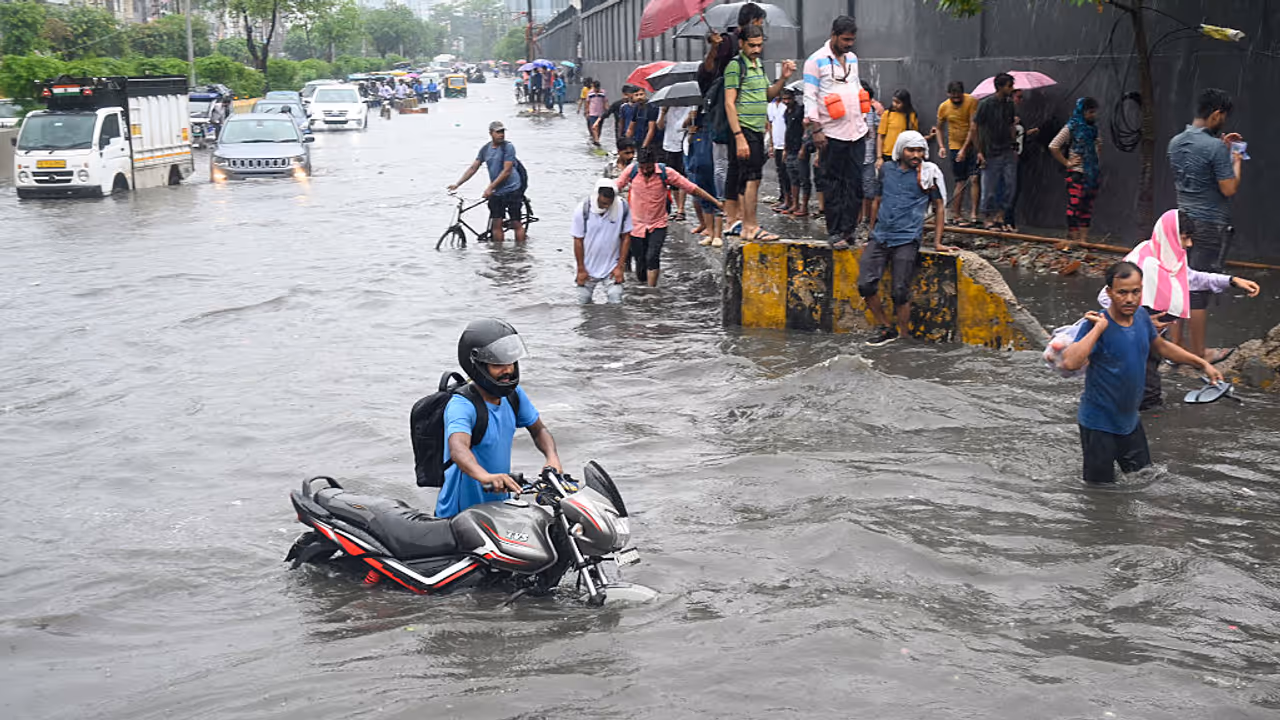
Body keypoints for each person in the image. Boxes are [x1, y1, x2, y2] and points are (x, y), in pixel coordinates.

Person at [1061, 262, 1224, 486]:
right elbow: (1070, 362)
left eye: (1135, 292)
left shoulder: (1140, 317)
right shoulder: (1096, 324)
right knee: (1099, 491)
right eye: (1122, 292)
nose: (1129, 299)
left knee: (1146, 480)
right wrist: (1099, 329)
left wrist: (1201, 363)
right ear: (1109, 292)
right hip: (1098, 424)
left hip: (1129, 421)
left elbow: (1161, 346)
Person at [1094, 209, 1261, 410]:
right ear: (1170, 235)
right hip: (1129, 337)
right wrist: (1141, 319)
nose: (1189, 244)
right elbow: (1105, 296)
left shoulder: (1170, 257)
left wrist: (1232, 281)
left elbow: (1192, 278)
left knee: (1145, 390)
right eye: (1185, 238)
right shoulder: (1141, 261)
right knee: (1142, 397)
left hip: (1151, 337)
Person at [437, 319, 561, 518]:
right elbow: (458, 449)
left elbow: (539, 430)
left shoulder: (513, 396)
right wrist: (486, 477)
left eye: (511, 362)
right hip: (460, 516)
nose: (508, 370)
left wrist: (552, 459)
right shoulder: (461, 406)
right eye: (498, 365)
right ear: (477, 366)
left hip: (498, 511)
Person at [1167, 88, 1245, 363]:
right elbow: (1228, 188)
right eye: (1223, 117)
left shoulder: (1175, 142)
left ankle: (1175, 349)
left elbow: (1195, 171)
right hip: (1208, 224)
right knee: (1198, 287)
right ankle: (1199, 352)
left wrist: (1221, 148)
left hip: (1180, 221)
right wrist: (1235, 160)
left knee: (1179, 282)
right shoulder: (1213, 147)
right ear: (1216, 115)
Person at [859, 131, 958, 347]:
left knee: (900, 291)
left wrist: (938, 242)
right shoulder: (886, 170)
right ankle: (886, 327)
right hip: (881, 235)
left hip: (907, 238)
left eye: (920, 150)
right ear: (900, 151)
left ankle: (903, 337)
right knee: (866, 285)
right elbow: (876, 200)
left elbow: (939, 207)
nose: (916, 155)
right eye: (911, 150)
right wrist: (871, 232)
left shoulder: (928, 173)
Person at [803, 15, 869, 250]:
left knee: (855, 184)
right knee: (833, 185)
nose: (849, 44)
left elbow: (856, 88)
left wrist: (865, 119)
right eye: (845, 39)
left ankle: (849, 231)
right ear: (833, 35)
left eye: (852, 40)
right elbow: (810, 96)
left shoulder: (852, 58)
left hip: (856, 133)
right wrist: (816, 128)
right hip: (830, 133)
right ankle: (835, 232)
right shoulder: (815, 61)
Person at [724, 24, 795, 243]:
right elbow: (729, 103)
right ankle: (750, 226)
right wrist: (738, 136)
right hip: (744, 129)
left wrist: (783, 78)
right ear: (742, 43)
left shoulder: (757, 64)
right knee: (750, 179)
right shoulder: (736, 66)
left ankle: (747, 225)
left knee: (752, 178)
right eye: (752, 45)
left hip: (755, 128)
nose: (756, 49)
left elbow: (767, 94)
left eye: (759, 45)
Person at [616, 147, 722, 286]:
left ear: (654, 163)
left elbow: (691, 188)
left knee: (652, 256)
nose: (646, 171)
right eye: (643, 168)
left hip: (658, 223)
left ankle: (651, 293)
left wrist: (716, 202)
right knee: (641, 264)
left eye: (649, 167)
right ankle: (643, 287)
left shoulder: (666, 173)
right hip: (636, 225)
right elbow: (616, 186)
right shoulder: (632, 171)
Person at [448, 121, 527, 243]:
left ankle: (520, 253)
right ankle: (499, 255)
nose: (501, 135)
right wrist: (458, 184)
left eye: (502, 132)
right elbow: (473, 168)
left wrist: (490, 188)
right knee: (496, 223)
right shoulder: (485, 149)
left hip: (512, 189)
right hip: (497, 191)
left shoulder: (508, 147)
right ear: (491, 133)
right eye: (498, 132)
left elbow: (507, 171)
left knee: (516, 223)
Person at [1048, 97, 1103, 248]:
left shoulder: (1094, 128)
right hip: (1077, 173)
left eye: (1094, 112)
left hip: (1092, 174)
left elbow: (1099, 145)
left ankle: (1084, 240)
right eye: (1090, 112)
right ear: (1083, 112)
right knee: (1075, 205)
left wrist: (1095, 160)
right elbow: (1053, 146)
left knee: (1087, 206)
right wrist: (1067, 162)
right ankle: (1074, 237)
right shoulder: (1071, 127)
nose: (1094, 115)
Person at [573, 179, 633, 304]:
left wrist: (620, 267)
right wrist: (581, 269)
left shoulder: (622, 207)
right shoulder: (583, 209)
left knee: (616, 299)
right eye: (603, 203)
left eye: (609, 204)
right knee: (582, 302)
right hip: (588, 266)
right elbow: (578, 240)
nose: (607, 207)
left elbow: (626, 237)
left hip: (612, 266)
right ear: (597, 196)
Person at [970, 73, 1017, 231]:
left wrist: (1014, 141)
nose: (1012, 89)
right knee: (989, 188)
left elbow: (1011, 125)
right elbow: (974, 127)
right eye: (1009, 86)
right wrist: (979, 151)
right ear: (1000, 87)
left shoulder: (1010, 105)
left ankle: (1000, 216)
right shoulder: (986, 104)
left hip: (1007, 150)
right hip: (990, 151)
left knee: (1010, 185)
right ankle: (987, 218)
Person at [934, 80, 979, 226]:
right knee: (960, 181)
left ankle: (974, 214)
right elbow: (939, 128)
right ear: (948, 95)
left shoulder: (971, 101)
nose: (957, 100)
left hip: (973, 145)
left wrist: (965, 149)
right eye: (953, 98)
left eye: (959, 97)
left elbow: (973, 127)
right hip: (954, 146)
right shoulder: (944, 107)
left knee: (974, 179)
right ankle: (956, 214)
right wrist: (941, 146)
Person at [657, 102, 693, 220]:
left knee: (683, 177)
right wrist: (663, 112)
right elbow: (660, 126)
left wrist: (689, 118)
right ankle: (678, 208)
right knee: (672, 178)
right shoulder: (666, 105)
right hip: (669, 143)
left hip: (685, 143)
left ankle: (681, 209)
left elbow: (686, 124)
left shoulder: (691, 105)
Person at [875, 89, 922, 170]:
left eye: (898, 102)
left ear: (905, 103)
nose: (895, 104)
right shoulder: (888, 114)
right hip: (888, 155)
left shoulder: (911, 116)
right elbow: (880, 136)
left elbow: (914, 138)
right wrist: (879, 157)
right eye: (894, 101)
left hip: (904, 156)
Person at [783, 88, 811, 218]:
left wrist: (803, 148)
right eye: (784, 99)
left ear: (794, 98)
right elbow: (787, 131)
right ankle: (795, 204)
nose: (786, 101)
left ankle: (804, 206)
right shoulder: (786, 113)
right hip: (790, 149)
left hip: (800, 148)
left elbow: (806, 130)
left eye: (788, 99)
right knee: (792, 178)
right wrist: (785, 149)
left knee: (803, 178)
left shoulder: (801, 111)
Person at [859, 81, 882, 227]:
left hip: (868, 157)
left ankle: (866, 217)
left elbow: (880, 131)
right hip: (854, 157)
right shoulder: (852, 111)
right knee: (855, 189)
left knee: (869, 190)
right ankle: (858, 217)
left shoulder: (873, 111)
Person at [767, 93, 792, 214]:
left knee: (788, 173)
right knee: (780, 172)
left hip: (786, 143)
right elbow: (770, 125)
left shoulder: (786, 106)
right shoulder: (771, 106)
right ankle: (783, 197)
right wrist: (771, 144)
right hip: (777, 143)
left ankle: (790, 199)